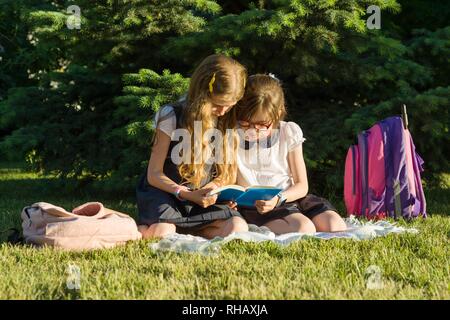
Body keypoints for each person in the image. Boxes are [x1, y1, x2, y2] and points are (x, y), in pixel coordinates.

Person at [136, 54, 249, 239]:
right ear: (201, 94)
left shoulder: (227, 121)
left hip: (203, 198)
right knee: (162, 234)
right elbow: (154, 174)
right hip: (168, 192)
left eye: (229, 106)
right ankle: (153, 228)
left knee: (237, 228)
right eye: (217, 105)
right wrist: (187, 194)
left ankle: (189, 229)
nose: (222, 111)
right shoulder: (171, 115)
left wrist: (212, 191)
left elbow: (226, 174)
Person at [232, 74, 347, 234]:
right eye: (246, 123)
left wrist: (279, 198)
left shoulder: (288, 132)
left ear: (278, 114)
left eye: (262, 124)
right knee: (303, 228)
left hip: (288, 196)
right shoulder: (232, 136)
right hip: (257, 205)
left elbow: (301, 185)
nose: (253, 131)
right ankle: (260, 227)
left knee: (335, 225)